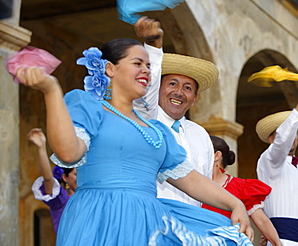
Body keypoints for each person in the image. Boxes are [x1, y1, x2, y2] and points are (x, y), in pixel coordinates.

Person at [16, 19, 254, 245]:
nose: (146, 71)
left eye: (149, 66)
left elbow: (191, 179)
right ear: (110, 68)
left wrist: (235, 204)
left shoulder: (156, 130)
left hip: (148, 221)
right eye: (138, 64)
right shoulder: (90, 107)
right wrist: (51, 91)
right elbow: (69, 153)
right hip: (100, 218)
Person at [134, 16, 217, 207]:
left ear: (195, 99)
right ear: (158, 89)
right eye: (172, 84)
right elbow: (149, 87)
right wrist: (153, 46)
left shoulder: (201, 135)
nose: (179, 92)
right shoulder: (147, 119)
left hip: (190, 227)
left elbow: (204, 185)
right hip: (152, 222)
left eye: (188, 88)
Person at [255, 80, 298, 246]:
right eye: (286, 133)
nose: (291, 138)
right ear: (270, 138)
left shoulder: (296, 168)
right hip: (284, 240)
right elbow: (282, 140)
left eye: (294, 134)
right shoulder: (269, 161)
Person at [202, 136, 283, 246]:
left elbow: (262, 221)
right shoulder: (191, 185)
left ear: (217, 155)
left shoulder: (240, 187)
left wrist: (277, 243)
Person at [29, 128, 77, 234]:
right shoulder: (61, 200)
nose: (80, 178)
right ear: (65, 177)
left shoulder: (91, 197)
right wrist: (41, 148)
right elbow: (48, 179)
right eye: (75, 174)